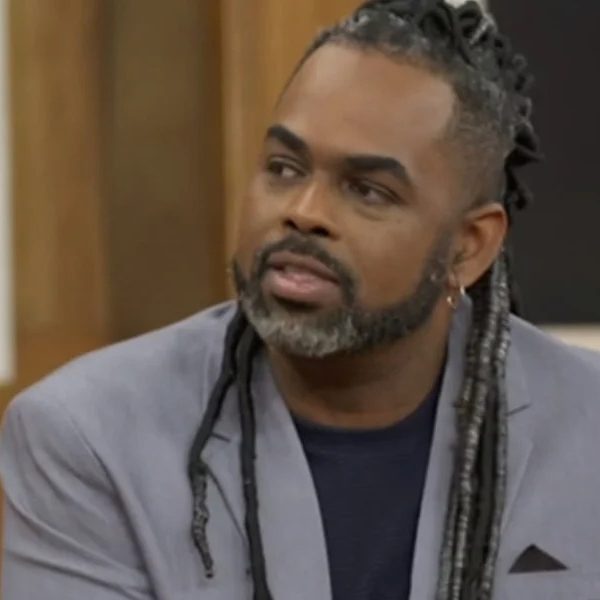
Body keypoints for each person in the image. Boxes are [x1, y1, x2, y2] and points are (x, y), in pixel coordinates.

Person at [2, 1, 600, 599]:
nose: (304, 213)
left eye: (368, 190)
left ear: (469, 247)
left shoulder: (587, 427)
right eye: (285, 168)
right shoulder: (89, 437)